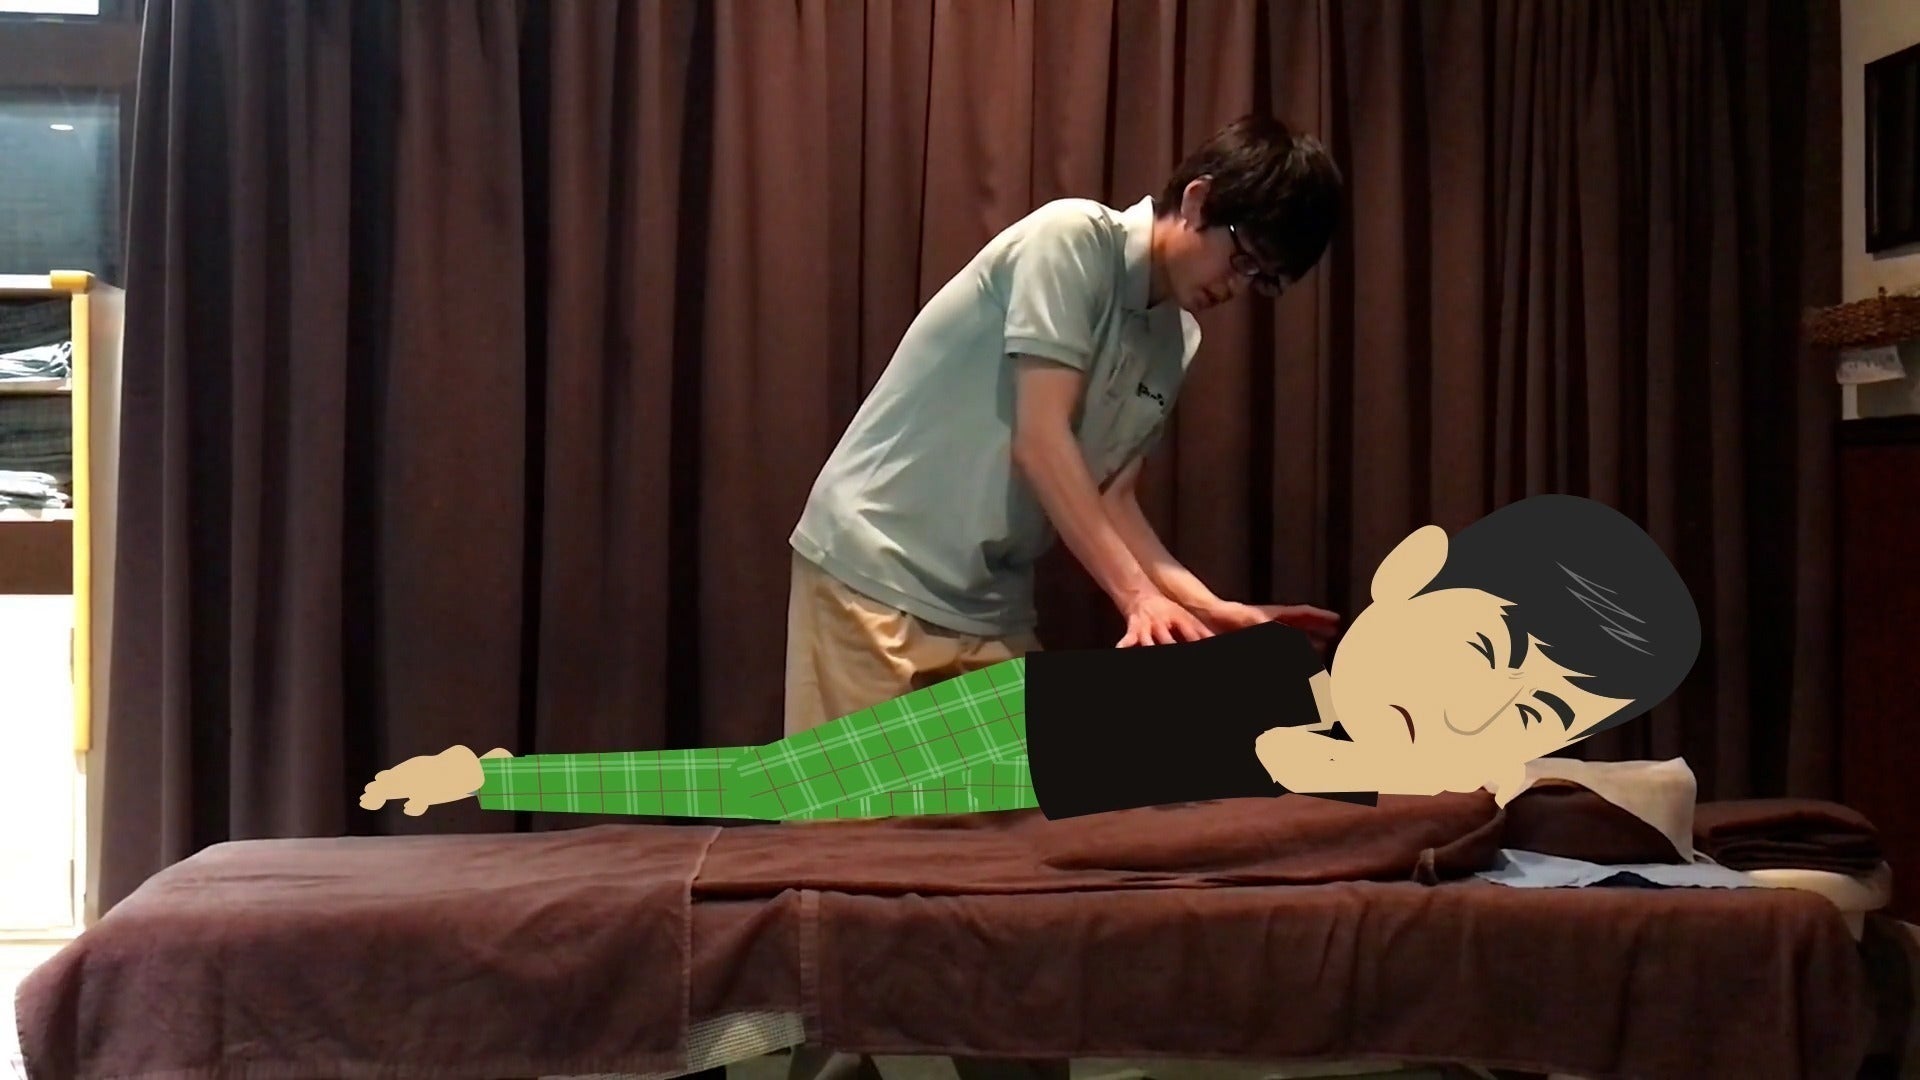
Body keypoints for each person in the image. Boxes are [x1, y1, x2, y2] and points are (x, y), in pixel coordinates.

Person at [360, 495, 1702, 821]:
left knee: (783, 801)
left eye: (1536, 706)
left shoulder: (1436, 778)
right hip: (1023, 726)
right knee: (771, 791)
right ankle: (492, 776)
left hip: (1052, 775)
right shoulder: (1298, 661)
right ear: (1407, 576)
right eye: (1484, 649)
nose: (1478, 705)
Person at [780, 113, 1348, 738]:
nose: (1238, 287)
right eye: (1242, 260)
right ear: (1198, 200)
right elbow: (1041, 439)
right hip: (874, 567)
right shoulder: (1072, 239)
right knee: (864, 801)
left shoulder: (1176, 340)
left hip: (989, 603)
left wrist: (1212, 608)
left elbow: (1112, 497)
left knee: (1016, 798)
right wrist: (1136, 597)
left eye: (1262, 280)